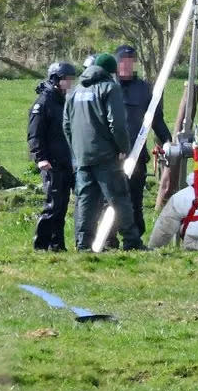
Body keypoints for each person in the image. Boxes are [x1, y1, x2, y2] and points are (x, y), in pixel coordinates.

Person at [63, 53, 145, 251]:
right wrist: (123, 148)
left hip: (83, 155)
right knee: (119, 198)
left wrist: (77, 150)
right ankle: (131, 241)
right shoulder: (110, 88)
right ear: (111, 71)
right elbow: (116, 123)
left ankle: (83, 244)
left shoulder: (75, 91)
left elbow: (66, 124)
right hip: (106, 155)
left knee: (85, 201)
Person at [114, 44, 172, 237]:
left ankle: (135, 236)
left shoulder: (144, 89)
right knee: (110, 199)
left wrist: (166, 140)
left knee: (135, 198)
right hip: (112, 156)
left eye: (131, 61)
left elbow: (156, 118)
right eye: (123, 61)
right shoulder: (109, 87)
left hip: (136, 155)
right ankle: (108, 238)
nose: (127, 65)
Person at [27, 62, 76, 251]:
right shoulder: (43, 103)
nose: (70, 83)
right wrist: (41, 158)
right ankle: (41, 244)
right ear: (56, 79)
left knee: (62, 206)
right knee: (53, 205)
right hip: (50, 162)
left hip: (64, 161)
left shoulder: (62, 100)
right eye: (67, 79)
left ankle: (57, 245)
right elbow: (34, 134)